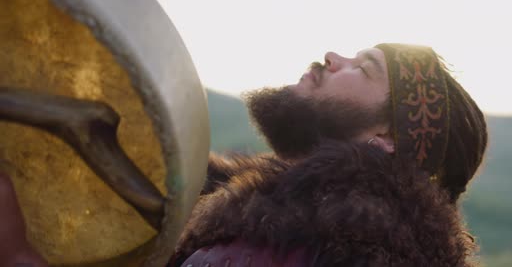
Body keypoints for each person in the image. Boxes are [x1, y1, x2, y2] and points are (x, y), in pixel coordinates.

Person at [167, 43, 488, 267]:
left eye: (363, 69)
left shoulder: (330, 252)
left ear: (386, 138)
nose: (332, 57)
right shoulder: (253, 214)